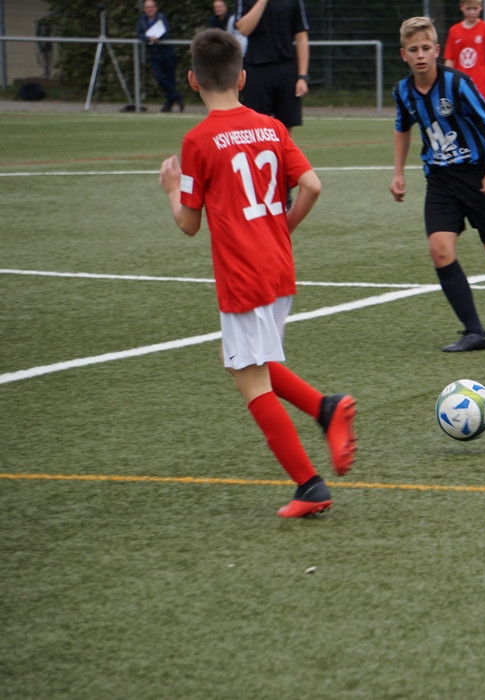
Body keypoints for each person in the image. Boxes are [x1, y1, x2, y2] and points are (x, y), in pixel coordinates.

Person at [158, 29, 356, 517]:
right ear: (243, 78)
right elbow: (312, 185)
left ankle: (309, 485)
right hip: (278, 267)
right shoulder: (272, 127)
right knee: (246, 361)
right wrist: (281, 229)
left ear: (192, 80)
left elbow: (188, 224)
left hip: (242, 275)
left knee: (250, 380)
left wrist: (171, 189)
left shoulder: (198, 140)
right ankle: (325, 408)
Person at [391, 17, 485, 353]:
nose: (420, 55)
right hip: (439, 181)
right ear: (404, 54)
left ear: (436, 50)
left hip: (476, 177)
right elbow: (402, 128)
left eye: (425, 48)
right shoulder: (403, 91)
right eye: (413, 49)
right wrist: (398, 173)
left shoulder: (457, 83)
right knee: (440, 250)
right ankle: (475, 332)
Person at [235, 0, 309, 134]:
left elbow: (301, 37)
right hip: (256, 70)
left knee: (285, 128)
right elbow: (244, 29)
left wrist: (302, 77)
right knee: (256, 127)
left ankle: (283, 149)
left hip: (286, 69)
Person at [443, 0, 485, 102]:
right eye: (468, 8)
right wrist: (445, 84)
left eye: (475, 8)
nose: (472, 12)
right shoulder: (454, 31)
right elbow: (449, 60)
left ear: (481, 7)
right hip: (459, 84)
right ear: (461, 7)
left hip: (481, 85)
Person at [136, 0, 184, 113]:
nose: (150, 9)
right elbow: (139, 34)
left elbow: (165, 31)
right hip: (154, 55)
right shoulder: (142, 20)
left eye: (151, 7)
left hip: (167, 53)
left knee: (170, 79)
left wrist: (158, 37)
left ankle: (168, 104)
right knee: (159, 77)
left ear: (156, 8)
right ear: (144, 9)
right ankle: (176, 96)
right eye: (147, 7)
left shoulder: (162, 17)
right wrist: (148, 38)